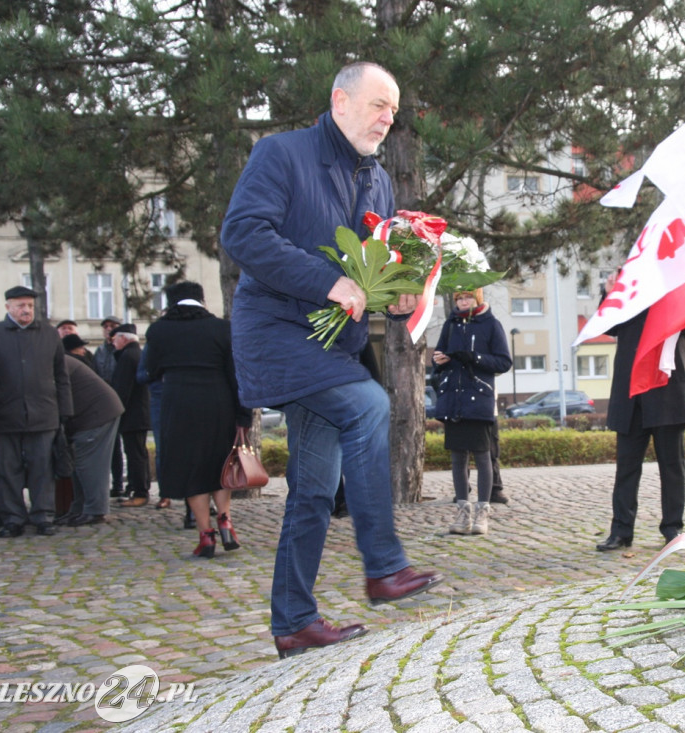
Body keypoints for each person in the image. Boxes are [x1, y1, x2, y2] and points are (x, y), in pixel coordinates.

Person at [221, 60, 443, 658]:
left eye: (393, 110)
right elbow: (243, 233)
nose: (388, 118)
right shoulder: (281, 154)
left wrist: (396, 297)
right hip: (275, 332)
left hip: (332, 344)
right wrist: (328, 282)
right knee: (369, 402)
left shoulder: (379, 182)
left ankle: (294, 622)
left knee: (315, 489)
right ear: (340, 101)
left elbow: (371, 272)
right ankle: (383, 565)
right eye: (379, 104)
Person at [144, 281, 251, 557]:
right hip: (218, 403)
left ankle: (205, 535)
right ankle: (225, 520)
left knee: (190, 467)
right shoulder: (221, 329)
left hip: (178, 403)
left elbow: (151, 371)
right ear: (201, 300)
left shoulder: (158, 330)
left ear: (170, 302)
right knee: (219, 463)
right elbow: (236, 374)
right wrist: (243, 414)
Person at [596, 271, 685, 551]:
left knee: (672, 467)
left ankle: (672, 528)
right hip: (631, 397)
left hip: (668, 394)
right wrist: (610, 293)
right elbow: (608, 324)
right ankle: (621, 531)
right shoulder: (630, 296)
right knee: (626, 469)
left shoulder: (677, 293)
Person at [0, 286, 73, 537]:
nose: (26, 310)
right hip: (5, 414)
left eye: (29, 306)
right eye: (20, 305)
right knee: (8, 469)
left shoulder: (49, 334)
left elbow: (61, 374)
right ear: (8, 307)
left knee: (42, 469)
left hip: (43, 413)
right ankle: (13, 518)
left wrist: (65, 411)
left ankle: (43, 516)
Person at [432, 289, 512, 535]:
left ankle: (482, 513)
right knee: (457, 457)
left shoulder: (491, 324)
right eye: (458, 298)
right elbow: (438, 355)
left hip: (478, 399)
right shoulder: (451, 324)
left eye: (467, 297)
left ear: (477, 299)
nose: (463, 302)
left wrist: (475, 357)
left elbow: (503, 362)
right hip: (454, 399)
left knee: (482, 455)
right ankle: (463, 511)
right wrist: (439, 360)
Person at [57, 354, 123, 526]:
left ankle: (95, 510)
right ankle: (80, 508)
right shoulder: (49, 357)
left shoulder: (47, 360)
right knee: (80, 465)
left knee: (90, 465)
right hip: (92, 411)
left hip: (95, 413)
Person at [110, 324, 151, 507]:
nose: (113, 343)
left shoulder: (128, 356)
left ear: (124, 338)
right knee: (138, 453)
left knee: (135, 454)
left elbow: (122, 389)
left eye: (115, 339)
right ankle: (139, 487)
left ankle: (140, 492)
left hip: (132, 415)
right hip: (139, 413)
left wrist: (115, 411)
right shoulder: (137, 353)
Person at [94, 315, 124, 499]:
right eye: (106, 326)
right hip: (103, 403)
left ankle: (119, 483)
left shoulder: (121, 350)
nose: (108, 329)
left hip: (120, 401)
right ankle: (109, 483)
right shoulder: (100, 351)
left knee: (120, 447)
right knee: (108, 447)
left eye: (112, 326)